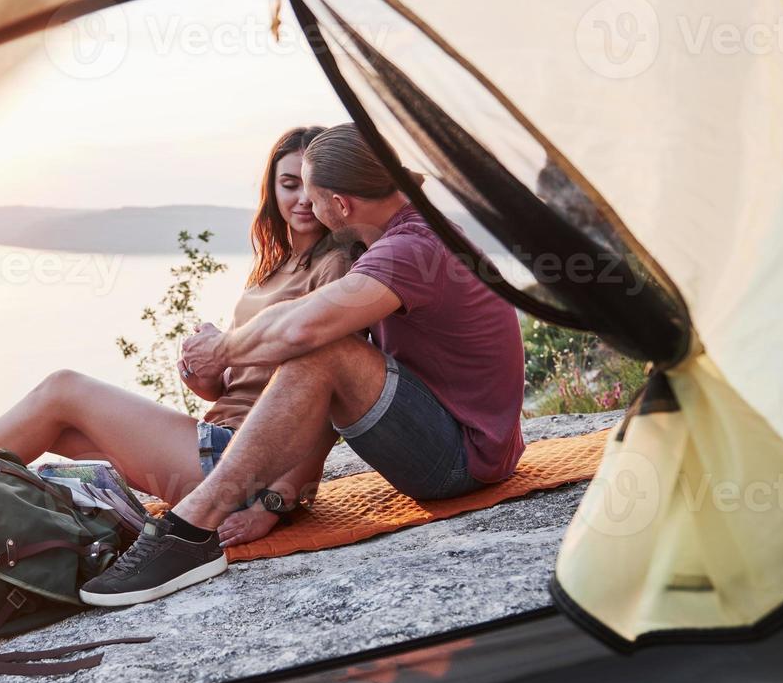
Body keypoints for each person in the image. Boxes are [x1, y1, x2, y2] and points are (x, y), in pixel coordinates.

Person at [0, 125, 368, 548]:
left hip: (241, 468)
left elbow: (324, 398)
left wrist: (275, 502)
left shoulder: (337, 266)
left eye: (310, 186)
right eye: (287, 184)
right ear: (272, 191)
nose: (300, 199)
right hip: (209, 444)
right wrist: (205, 375)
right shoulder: (274, 270)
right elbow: (240, 385)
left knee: (63, 388)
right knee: (31, 426)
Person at [77, 122, 525, 606]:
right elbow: (298, 324)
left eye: (313, 196)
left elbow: (300, 330)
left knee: (324, 348)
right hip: (458, 441)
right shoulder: (406, 233)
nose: (308, 207)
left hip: (461, 461)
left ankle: (190, 529)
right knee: (325, 345)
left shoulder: (411, 248)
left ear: (341, 205)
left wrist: (223, 348)